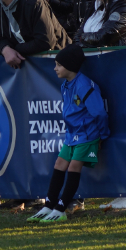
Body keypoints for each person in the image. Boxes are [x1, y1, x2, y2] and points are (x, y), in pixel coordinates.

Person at [28, 43, 109, 224]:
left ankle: (61, 208)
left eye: (59, 65)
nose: (55, 68)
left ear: (70, 66)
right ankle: (49, 204)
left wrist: (103, 136)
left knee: (73, 166)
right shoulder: (66, 85)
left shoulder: (84, 85)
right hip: (72, 135)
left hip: (87, 135)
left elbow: (100, 113)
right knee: (59, 163)